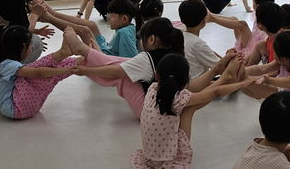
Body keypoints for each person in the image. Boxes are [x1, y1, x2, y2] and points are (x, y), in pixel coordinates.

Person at [66, 22, 233, 119]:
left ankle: (86, 52)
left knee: (124, 74)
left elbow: (115, 73)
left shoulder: (147, 58)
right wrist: (217, 71)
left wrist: (86, 70)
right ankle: (91, 54)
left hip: (146, 111)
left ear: (151, 39)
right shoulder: (178, 57)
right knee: (128, 64)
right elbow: (189, 87)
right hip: (166, 106)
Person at [132, 53, 254, 169]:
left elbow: (195, 91)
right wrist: (241, 84)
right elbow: (214, 93)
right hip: (167, 162)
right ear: (186, 80)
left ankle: (222, 75)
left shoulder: (152, 88)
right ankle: (224, 77)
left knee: (190, 101)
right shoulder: (179, 98)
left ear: (157, 75)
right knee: (189, 108)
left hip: (150, 156)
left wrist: (218, 70)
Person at [0, 26, 79, 120]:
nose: (32, 47)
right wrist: (66, 70)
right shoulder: (8, 65)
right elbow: (38, 73)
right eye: (31, 44)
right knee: (37, 70)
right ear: (23, 46)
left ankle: (74, 59)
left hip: (18, 107)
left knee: (40, 68)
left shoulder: (4, 61)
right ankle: (63, 53)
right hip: (15, 108)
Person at [208, 0, 274, 58]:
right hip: (253, 41)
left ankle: (212, 18)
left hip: (255, 47)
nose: (252, 3)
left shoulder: (267, 17)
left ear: (258, 5)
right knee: (234, 19)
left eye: (253, 1)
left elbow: (262, 39)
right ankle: (211, 15)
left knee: (243, 24)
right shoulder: (260, 12)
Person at [179, 0, 221, 79]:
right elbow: (220, 67)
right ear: (204, 21)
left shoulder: (181, 34)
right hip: (200, 83)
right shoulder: (197, 43)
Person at [246, 1, 286, 65]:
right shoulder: (277, 34)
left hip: (278, 73)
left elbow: (275, 71)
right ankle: (246, 68)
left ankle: (245, 71)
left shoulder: (276, 44)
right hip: (273, 68)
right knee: (260, 45)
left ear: (260, 25)